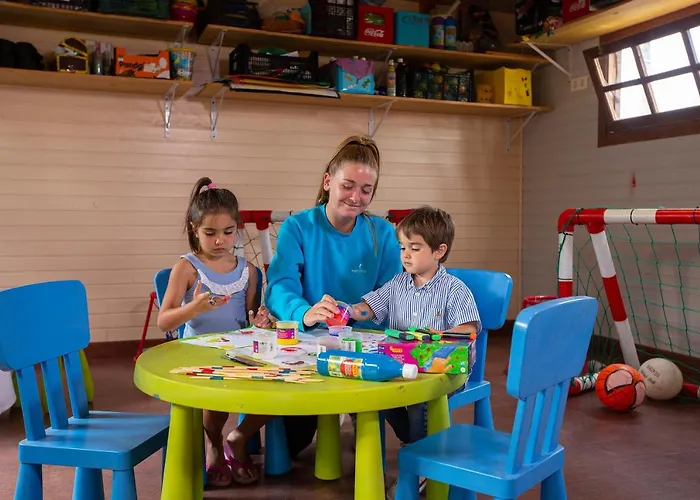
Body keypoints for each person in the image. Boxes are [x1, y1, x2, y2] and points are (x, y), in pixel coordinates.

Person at [262, 135, 402, 458]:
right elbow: (279, 286)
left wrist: (359, 314)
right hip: (309, 345)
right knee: (292, 444)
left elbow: (392, 293)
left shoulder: (381, 233)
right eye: (347, 186)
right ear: (328, 182)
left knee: (387, 430)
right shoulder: (297, 227)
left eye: (365, 190)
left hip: (365, 347)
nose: (356, 197)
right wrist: (305, 313)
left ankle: (360, 420)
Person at [349, 206, 481, 498]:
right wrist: (348, 310)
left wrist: (436, 336)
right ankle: (413, 442)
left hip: (440, 372)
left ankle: (421, 464)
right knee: (374, 389)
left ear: (439, 251)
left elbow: (468, 329)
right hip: (401, 365)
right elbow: (370, 307)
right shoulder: (398, 283)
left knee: (420, 401)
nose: (406, 255)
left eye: (415, 248)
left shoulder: (454, 289)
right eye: (402, 247)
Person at [157, 177, 272, 488]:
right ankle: (215, 444)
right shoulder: (187, 267)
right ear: (194, 229)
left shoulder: (248, 270)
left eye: (228, 232)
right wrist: (193, 309)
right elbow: (164, 321)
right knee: (216, 400)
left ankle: (239, 438)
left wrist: (260, 323)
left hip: (238, 352)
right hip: (198, 353)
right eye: (210, 233)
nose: (220, 240)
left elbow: (250, 320)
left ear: (237, 229)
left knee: (278, 391)